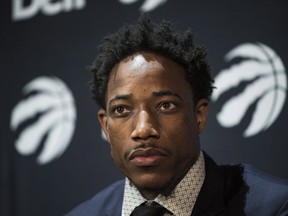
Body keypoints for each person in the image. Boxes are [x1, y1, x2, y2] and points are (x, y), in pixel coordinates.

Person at [66, 15, 288, 216]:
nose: (143, 129)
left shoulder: (275, 207)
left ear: (199, 115)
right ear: (106, 126)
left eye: (165, 105)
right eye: (122, 109)